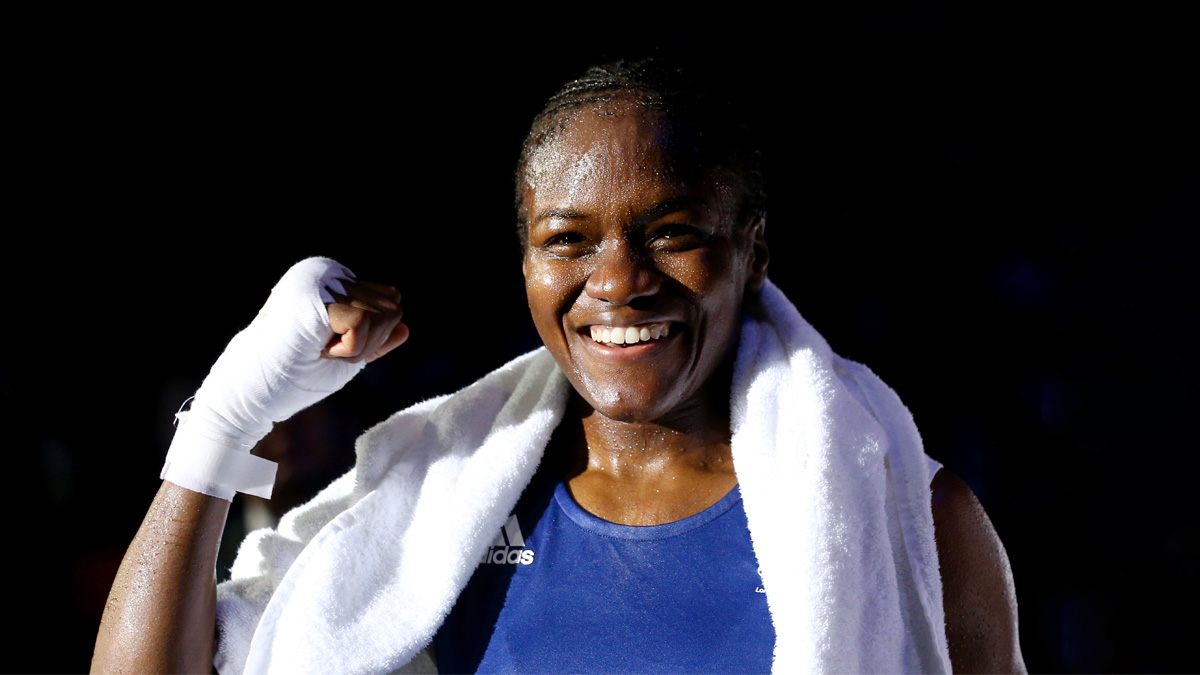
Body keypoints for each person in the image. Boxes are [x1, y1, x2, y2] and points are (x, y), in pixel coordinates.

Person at [93, 60, 1024, 673]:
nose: (616, 282)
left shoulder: (913, 516)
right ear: (527, 264)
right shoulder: (433, 500)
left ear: (755, 253)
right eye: (567, 239)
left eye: (673, 234)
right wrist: (222, 423)